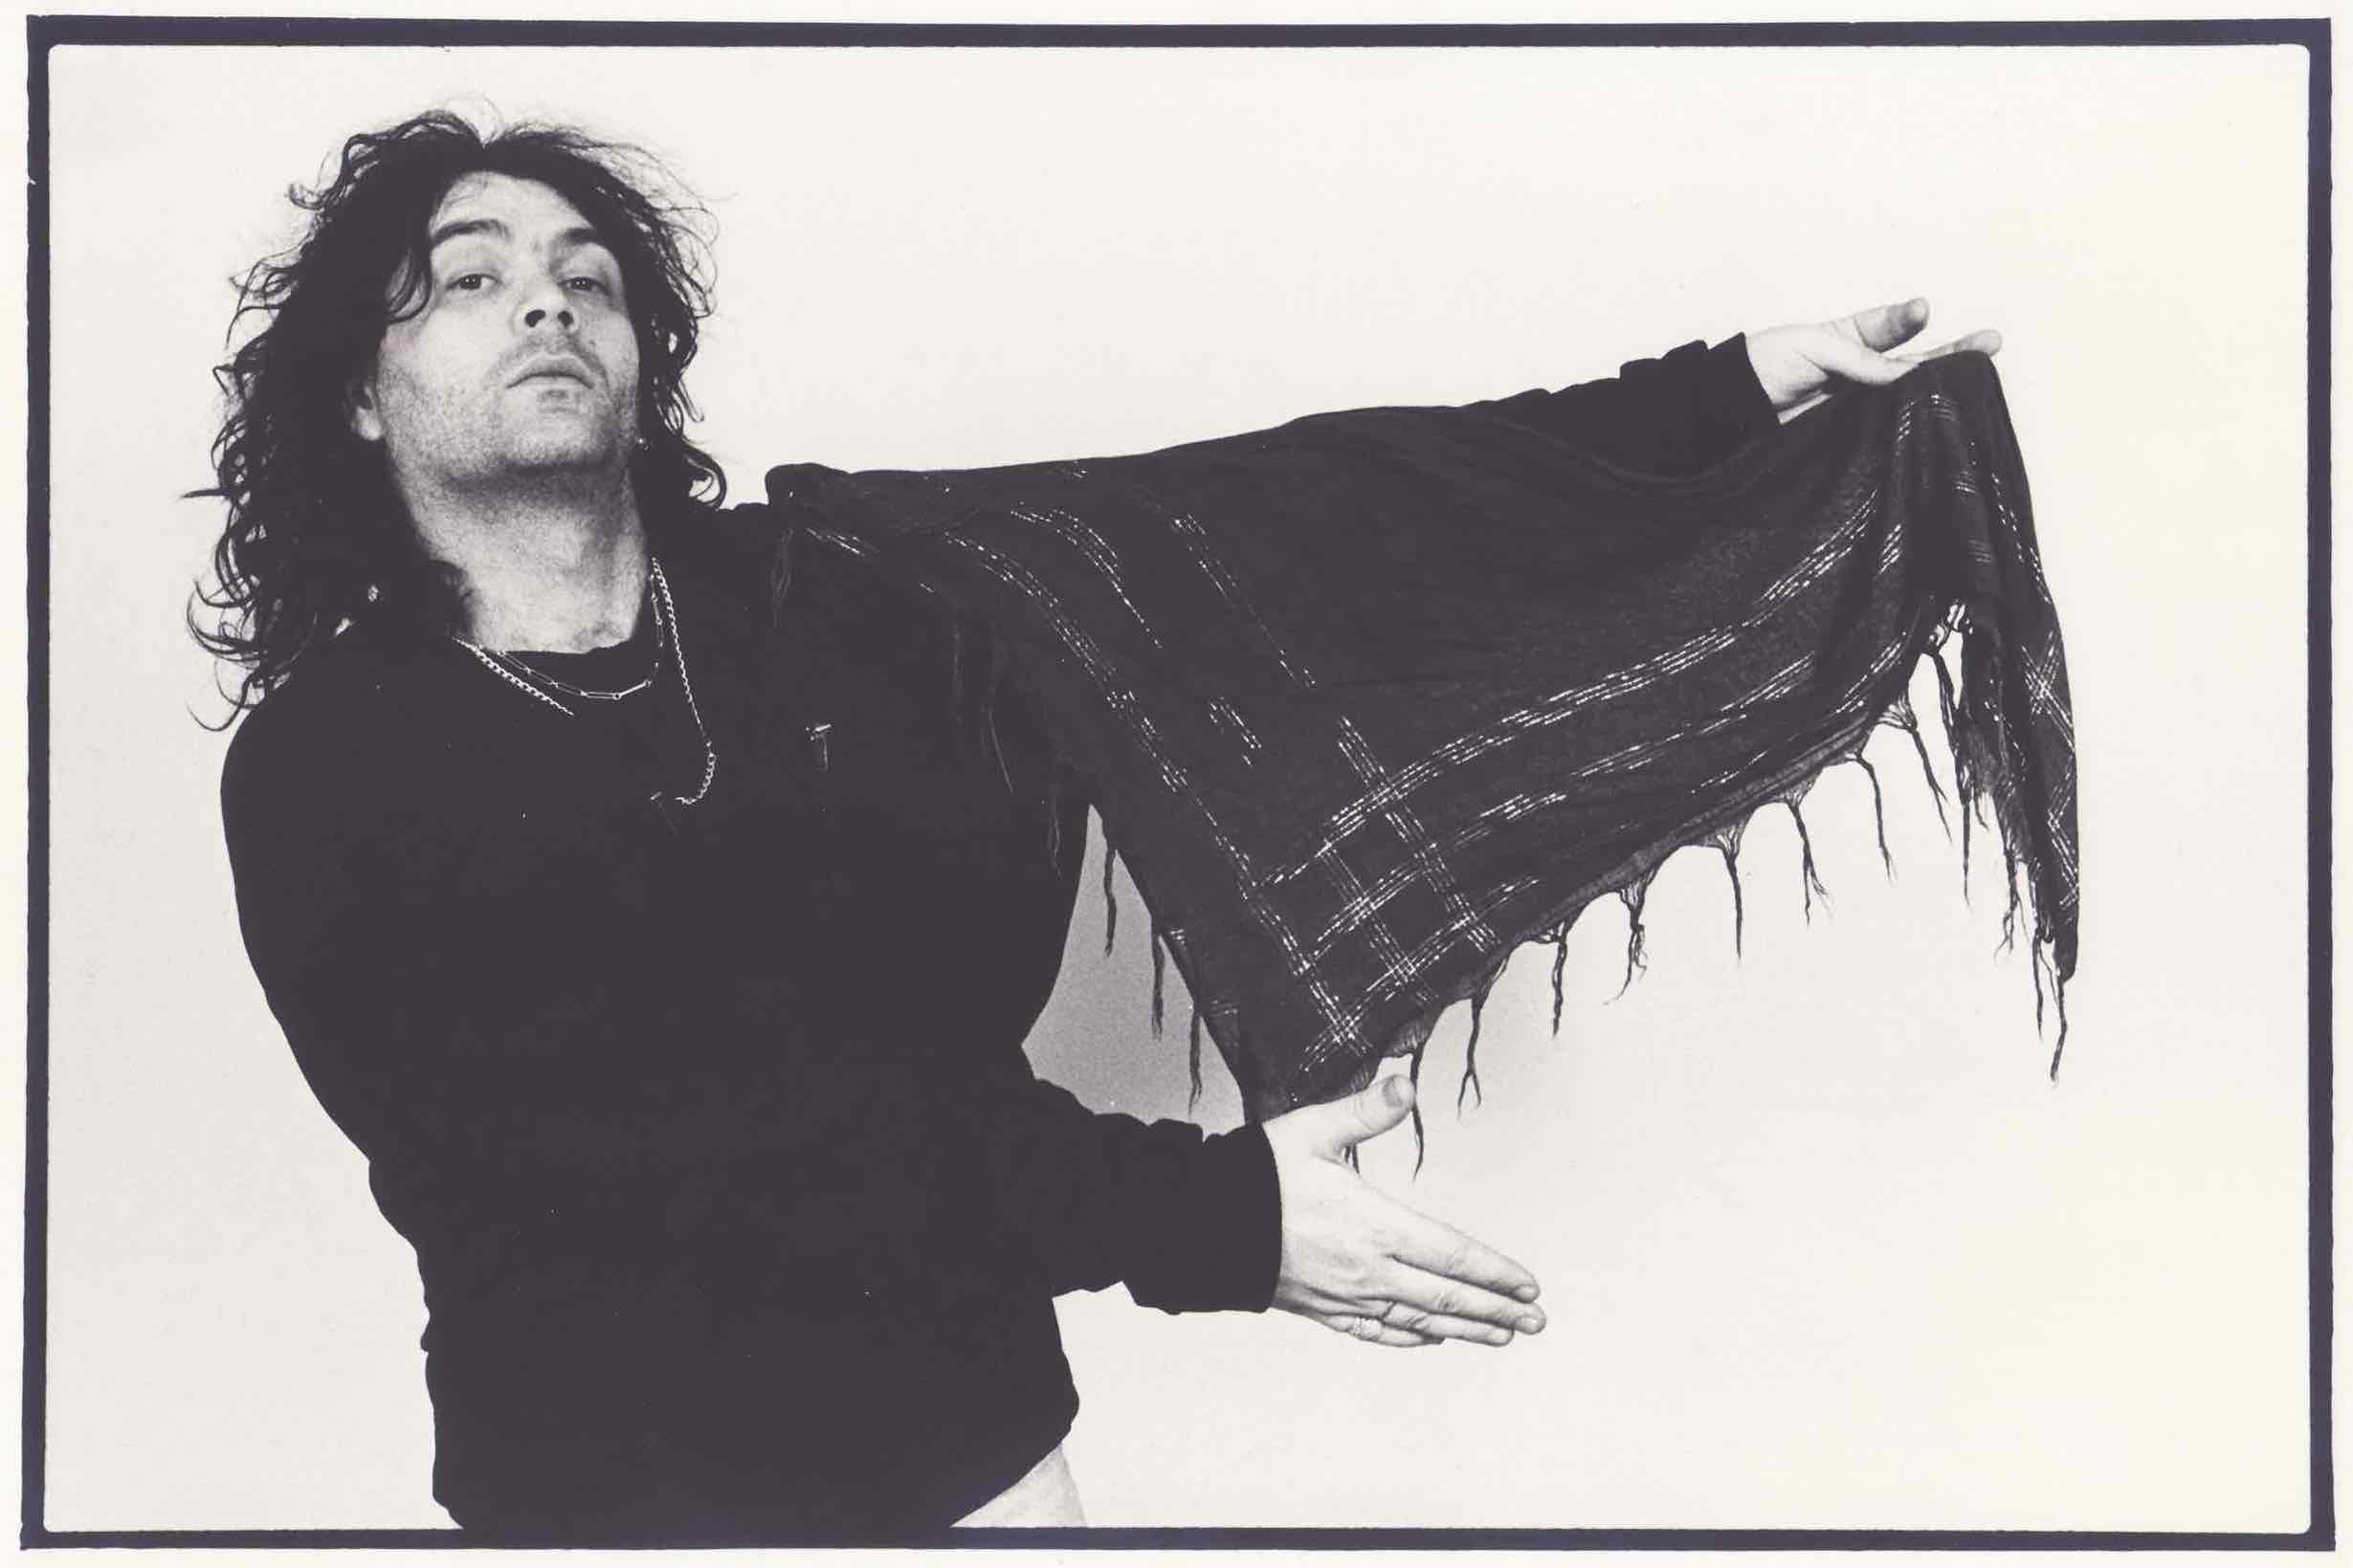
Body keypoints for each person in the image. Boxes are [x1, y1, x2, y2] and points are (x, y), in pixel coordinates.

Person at [201, 109, 1998, 1541]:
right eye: (468, 278)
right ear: (359, 393)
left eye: (586, 275)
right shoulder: (326, 772)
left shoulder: (840, 596)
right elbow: (677, 1161)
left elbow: (1303, 521)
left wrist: (1733, 388)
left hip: (977, 1460)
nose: (546, 303)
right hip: (607, 1501)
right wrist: (1208, 1217)